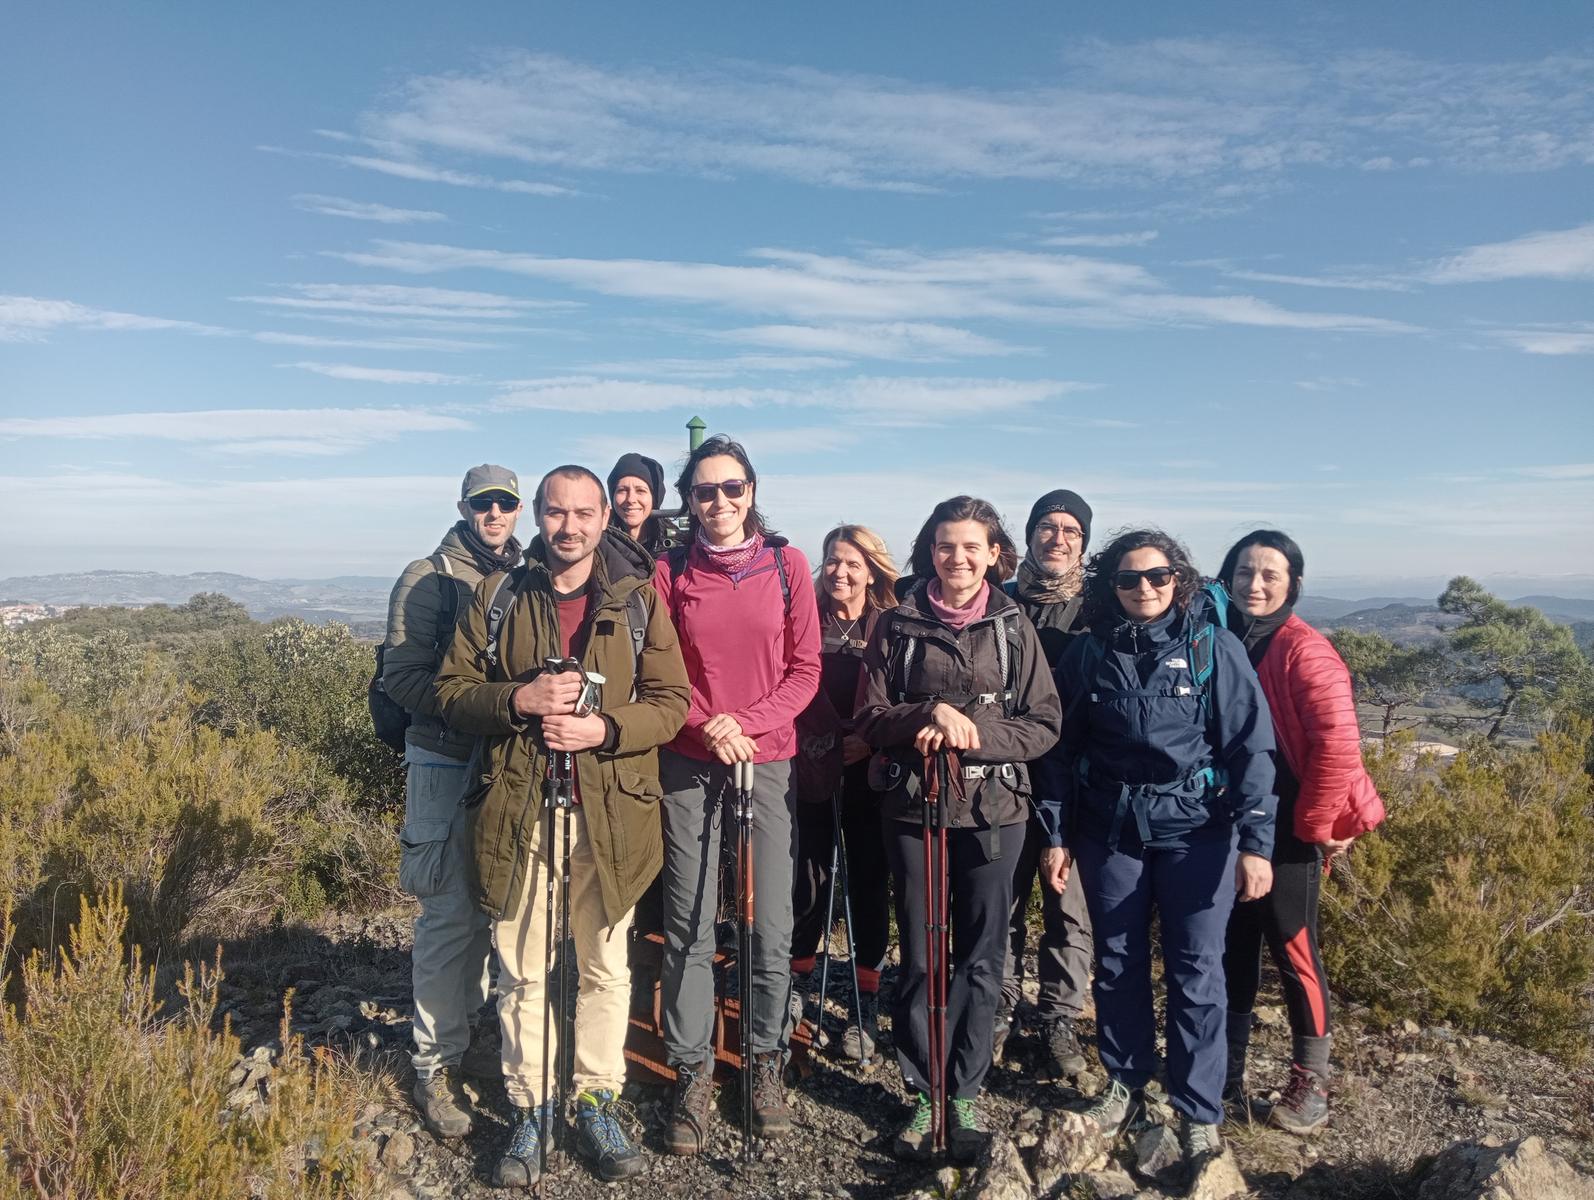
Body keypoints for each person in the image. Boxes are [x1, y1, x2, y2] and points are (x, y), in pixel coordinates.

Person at [434, 465, 689, 1186]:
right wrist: (519, 697)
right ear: (538, 518)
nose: (569, 527)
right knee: (522, 971)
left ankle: (595, 1099)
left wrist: (604, 728)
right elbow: (451, 693)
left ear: (606, 517)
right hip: (520, 813)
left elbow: (672, 702)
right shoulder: (498, 595)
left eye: (582, 513)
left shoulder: (637, 602)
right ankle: (531, 1106)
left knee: (606, 967)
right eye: (555, 513)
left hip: (610, 818)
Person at [1035, 529, 1277, 1185]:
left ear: (1180, 581)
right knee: (1116, 962)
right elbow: (1057, 754)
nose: (1145, 588)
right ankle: (1126, 1084)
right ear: (1109, 586)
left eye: (1159, 576)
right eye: (1129, 578)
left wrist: (1258, 845)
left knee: (1197, 970)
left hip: (1199, 831)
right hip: (1110, 829)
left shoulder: (1211, 649)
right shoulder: (1086, 656)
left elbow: (1251, 751)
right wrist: (1054, 835)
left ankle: (1196, 1109)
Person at [855, 496, 1061, 1163]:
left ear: (995, 552)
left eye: (972, 546)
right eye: (946, 546)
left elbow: (1044, 723)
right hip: (915, 809)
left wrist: (975, 737)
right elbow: (870, 716)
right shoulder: (897, 623)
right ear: (929, 551)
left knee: (981, 955)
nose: (958, 558)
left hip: (995, 811)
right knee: (918, 953)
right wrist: (928, 714)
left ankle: (963, 1090)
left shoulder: (1012, 625)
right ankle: (923, 1091)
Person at [651, 435, 821, 1154]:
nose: (719, 502)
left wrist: (742, 725)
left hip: (767, 759)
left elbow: (805, 670)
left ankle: (762, 1059)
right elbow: (655, 673)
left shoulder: (788, 566)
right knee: (689, 918)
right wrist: (705, 725)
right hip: (689, 761)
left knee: (768, 923)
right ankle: (691, 1068)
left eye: (732, 488)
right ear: (688, 501)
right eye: (704, 491)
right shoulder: (669, 572)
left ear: (752, 491)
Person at [1216, 530, 1385, 1134]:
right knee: (1231, 941)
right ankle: (1225, 1069)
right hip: (1234, 817)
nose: (1254, 585)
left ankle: (1311, 1078)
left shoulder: (1302, 649)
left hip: (1289, 822)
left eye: (1270, 574)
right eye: (1243, 573)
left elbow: (1339, 749)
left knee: (1292, 942)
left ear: (1293, 584)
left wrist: (1312, 827)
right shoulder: (1227, 636)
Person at [383, 463, 524, 1141]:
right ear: (464, 507)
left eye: (505, 503)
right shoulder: (428, 576)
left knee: (499, 904)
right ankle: (435, 1065)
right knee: (447, 914)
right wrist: (478, 708)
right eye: (483, 504)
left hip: (501, 760)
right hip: (443, 759)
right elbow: (403, 676)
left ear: (519, 509)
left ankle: (472, 1042)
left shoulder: (525, 577)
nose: (494, 513)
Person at [790, 525, 900, 1062]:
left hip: (869, 773)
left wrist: (868, 742)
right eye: (833, 561)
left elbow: (901, 697)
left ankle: (866, 1000)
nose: (840, 572)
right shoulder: (805, 617)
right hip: (809, 763)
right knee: (807, 877)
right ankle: (797, 983)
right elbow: (788, 680)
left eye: (853, 564)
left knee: (868, 881)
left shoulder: (891, 624)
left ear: (872, 570)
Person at [996, 489, 1097, 1076]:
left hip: (1078, 780)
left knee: (1068, 904)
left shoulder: (1097, 610)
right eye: (1047, 527)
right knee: (1001, 899)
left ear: (1082, 541)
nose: (1057, 539)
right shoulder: (1002, 602)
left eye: (1071, 531)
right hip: (1007, 777)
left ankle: (1058, 1017)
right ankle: (1001, 1008)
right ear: (1029, 534)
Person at [607, 451, 670, 556]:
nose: (631, 499)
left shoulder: (676, 548)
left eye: (640, 491)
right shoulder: (598, 543)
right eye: (622, 490)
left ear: (654, 499)